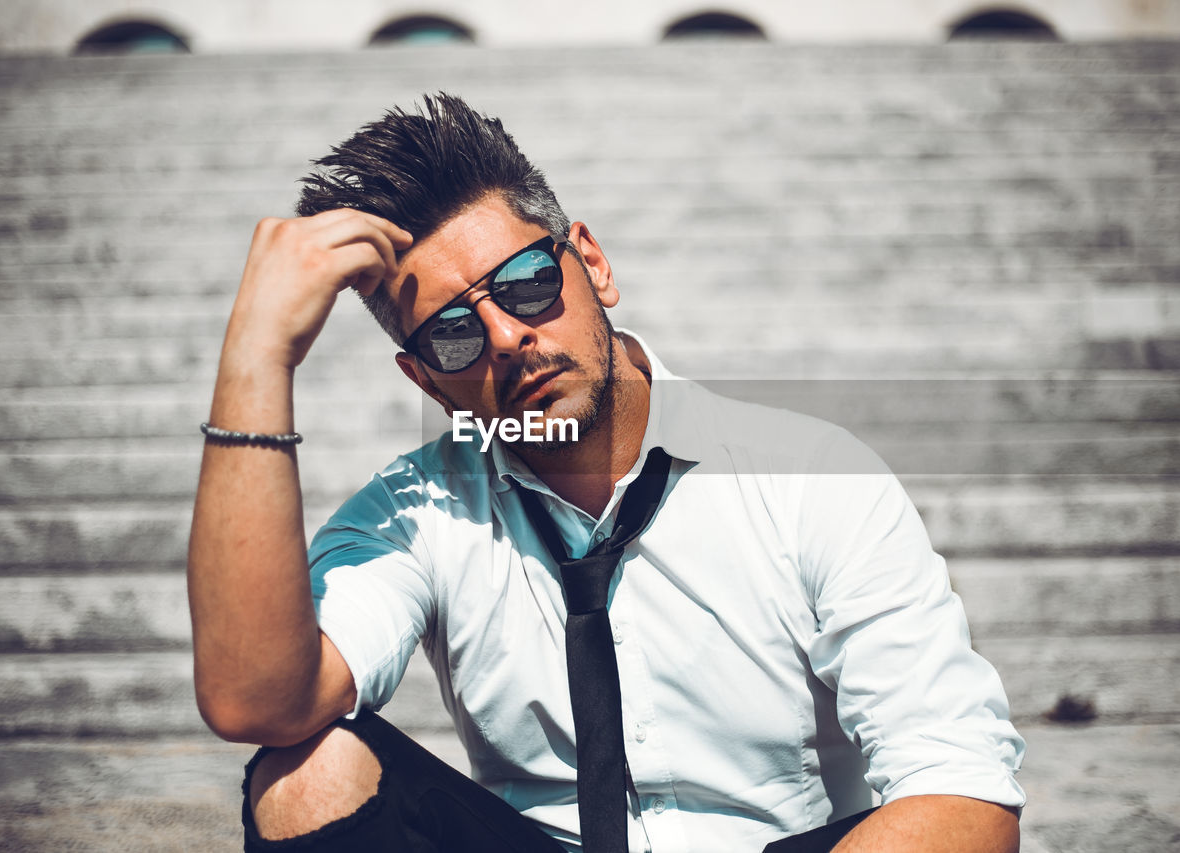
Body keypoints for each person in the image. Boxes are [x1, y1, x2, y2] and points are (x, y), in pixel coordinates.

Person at [187, 93, 1026, 852]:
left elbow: (965, 789)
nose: (508, 337)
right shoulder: (419, 511)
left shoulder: (808, 476)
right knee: (304, 771)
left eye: (523, 283)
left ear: (592, 263)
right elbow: (257, 701)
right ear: (426, 382)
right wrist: (259, 356)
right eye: (451, 333)